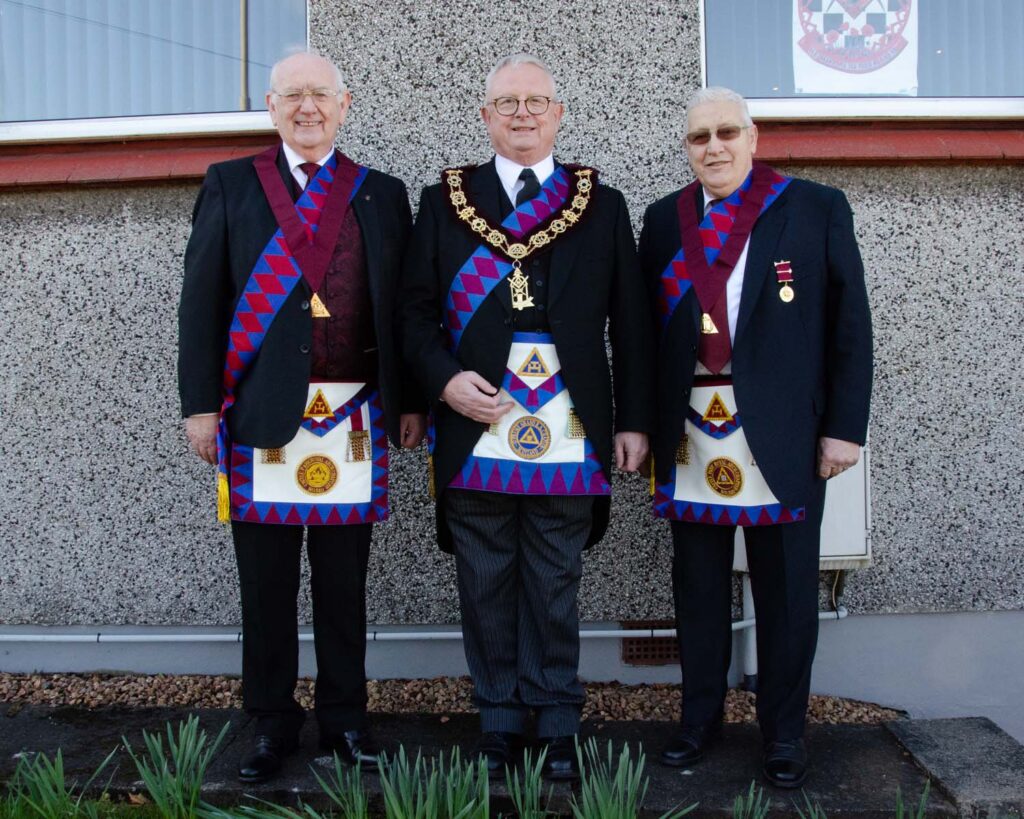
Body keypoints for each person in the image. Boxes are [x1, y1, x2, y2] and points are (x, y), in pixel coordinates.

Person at [400, 53, 654, 781]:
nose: (521, 114)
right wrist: (444, 384)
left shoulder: (601, 204)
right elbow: (413, 313)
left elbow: (631, 323)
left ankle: (558, 719)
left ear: (558, 114)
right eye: (506, 102)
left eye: (535, 101)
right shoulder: (444, 201)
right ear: (485, 116)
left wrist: (634, 419)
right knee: (484, 577)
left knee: (554, 577)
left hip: (569, 420)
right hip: (474, 417)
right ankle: (499, 720)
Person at [178, 51, 425, 783]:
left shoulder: (382, 193)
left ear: (345, 105)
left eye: (321, 94)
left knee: (344, 586)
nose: (307, 106)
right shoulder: (232, 183)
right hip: (260, 413)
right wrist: (200, 406)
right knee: (266, 586)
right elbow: (201, 302)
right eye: (293, 95)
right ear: (271, 105)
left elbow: (403, 309)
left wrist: (411, 401)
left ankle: (346, 719)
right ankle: (270, 722)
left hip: (355, 417)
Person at [639, 86, 872, 789]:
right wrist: (640, 422)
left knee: (787, 590)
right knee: (697, 586)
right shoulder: (664, 219)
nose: (713, 147)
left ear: (753, 136)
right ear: (687, 148)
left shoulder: (815, 207)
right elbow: (645, 332)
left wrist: (843, 429)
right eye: (699, 137)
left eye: (726, 133)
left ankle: (784, 733)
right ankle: (699, 720)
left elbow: (850, 325)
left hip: (784, 429)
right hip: (691, 428)